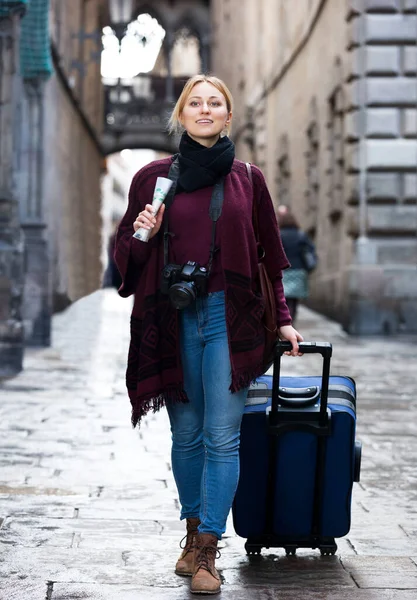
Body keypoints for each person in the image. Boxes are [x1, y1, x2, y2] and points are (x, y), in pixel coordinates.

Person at [114, 74, 303, 595]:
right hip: (171, 317)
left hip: (231, 316)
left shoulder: (248, 178)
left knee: (223, 435)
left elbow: (269, 257)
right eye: (194, 103)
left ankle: (208, 550)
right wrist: (142, 234)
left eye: (213, 103)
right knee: (187, 434)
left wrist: (282, 316)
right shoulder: (152, 177)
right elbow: (125, 266)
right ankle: (193, 526)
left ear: (227, 115)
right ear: (181, 114)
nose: (204, 110)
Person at [276, 205, 318, 322]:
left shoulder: (279, 235)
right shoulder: (301, 235)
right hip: (299, 271)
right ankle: (291, 321)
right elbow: (311, 251)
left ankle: (284, 322)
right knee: (294, 301)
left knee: (282, 299)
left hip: (284, 271)